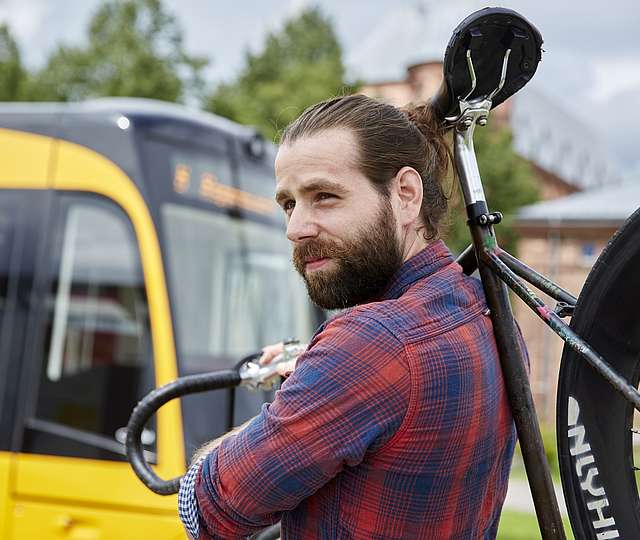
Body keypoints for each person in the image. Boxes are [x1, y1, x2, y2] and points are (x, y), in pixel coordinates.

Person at [178, 94, 518, 539]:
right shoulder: (486, 311)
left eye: (324, 197)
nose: (295, 228)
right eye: (288, 204)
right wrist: (314, 377)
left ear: (405, 196)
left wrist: (286, 410)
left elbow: (206, 510)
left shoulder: (370, 346)